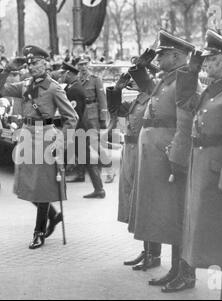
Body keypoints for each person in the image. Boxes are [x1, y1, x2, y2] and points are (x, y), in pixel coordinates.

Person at [166, 30, 222, 293]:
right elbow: (184, 101)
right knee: (199, 232)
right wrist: (190, 71)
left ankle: (217, 292)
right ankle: (205, 285)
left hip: (216, 174)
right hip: (200, 169)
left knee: (216, 239)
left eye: (210, 59)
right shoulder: (212, 92)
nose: (205, 64)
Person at [0, 45, 78, 249]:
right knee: (26, 185)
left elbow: (71, 117)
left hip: (46, 137)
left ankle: (39, 232)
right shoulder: (25, 85)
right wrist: (6, 69)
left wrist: (62, 142)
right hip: (26, 135)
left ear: (45, 64)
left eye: (36, 62)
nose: (32, 67)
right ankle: (54, 216)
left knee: (42, 186)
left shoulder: (54, 88)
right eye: (29, 63)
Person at [129, 30, 195, 287]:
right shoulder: (169, 79)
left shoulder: (184, 81)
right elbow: (147, 88)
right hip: (156, 155)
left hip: (168, 157)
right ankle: (175, 270)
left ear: (177, 56)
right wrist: (139, 68)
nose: (158, 59)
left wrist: (177, 159)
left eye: (163, 55)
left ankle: (185, 273)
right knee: (165, 214)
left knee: (177, 215)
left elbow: (185, 124)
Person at [107, 65, 161, 270]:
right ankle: (147, 250)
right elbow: (115, 110)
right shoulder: (138, 100)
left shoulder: (152, 99)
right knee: (134, 201)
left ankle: (153, 254)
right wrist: (117, 89)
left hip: (142, 151)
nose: (132, 82)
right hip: (130, 150)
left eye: (136, 79)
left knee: (145, 201)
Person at [68, 56, 107, 198]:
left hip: (92, 113)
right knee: (81, 145)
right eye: (80, 64)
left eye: (85, 64)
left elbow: (102, 99)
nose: (83, 67)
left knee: (94, 143)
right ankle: (81, 172)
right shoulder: (76, 81)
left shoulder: (95, 79)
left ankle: (103, 166)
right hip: (81, 114)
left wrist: (103, 117)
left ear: (89, 64)